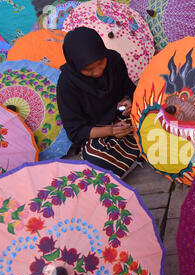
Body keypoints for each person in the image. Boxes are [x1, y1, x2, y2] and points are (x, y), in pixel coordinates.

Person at [57, 27, 140, 178]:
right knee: (96, 159)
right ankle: (139, 149)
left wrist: (128, 100)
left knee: (153, 116)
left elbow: (129, 89)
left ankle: (135, 149)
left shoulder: (113, 60)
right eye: (88, 69)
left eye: (100, 63)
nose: (97, 72)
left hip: (123, 116)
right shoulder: (67, 84)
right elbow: (75, 131)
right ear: (75, 64)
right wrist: (111, 130)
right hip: (98, 131)